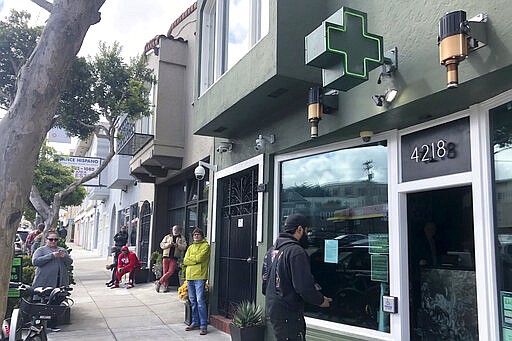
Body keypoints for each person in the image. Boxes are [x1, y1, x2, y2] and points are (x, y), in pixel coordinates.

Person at [262, 213, 331, 341]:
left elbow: (264, 284)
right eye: (307, 231)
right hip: (289, 313)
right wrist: (321, 301)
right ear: (299, 229)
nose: (308, 235)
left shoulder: (270, 251)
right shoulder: (296, 251)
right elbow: (303, 287)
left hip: (274, 310)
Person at [32, 231, 73, 332]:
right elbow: (35, 261)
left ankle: (53, 324)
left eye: (55, 240)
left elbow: (69, 262)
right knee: (42, 304)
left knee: (56, 304)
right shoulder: (41, 250)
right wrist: (52, 256)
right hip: (44, 283)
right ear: (46, 240)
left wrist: (65, 257)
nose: (53, 241)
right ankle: (38, 325)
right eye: (51, 239)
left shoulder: (62, 250)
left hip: (60, 282)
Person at [182, 228, 210, 336]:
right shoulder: (190, 247)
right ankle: (195, 322)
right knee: (193, 301)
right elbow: (185, 260)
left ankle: (203, 326)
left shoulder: (206, 246)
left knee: (200, 301)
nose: (196, 236)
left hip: (200, 277)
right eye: (194, 235)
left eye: (198, 235)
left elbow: (200, 258)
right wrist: (193, 260)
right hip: (190, 277)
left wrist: (192, 260)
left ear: (202, 236)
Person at [155, 225, 187, 293]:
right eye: (174, 229)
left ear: (179, 230)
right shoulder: (168, 237)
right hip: (166, 256)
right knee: (165, 272)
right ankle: (165, 287)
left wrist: (177, 245)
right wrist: (168, 245)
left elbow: (184, 247)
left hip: (174, 257)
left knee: (170, 271)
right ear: (172, 230)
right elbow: (162, 245)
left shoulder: (182, 238)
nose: (175, 230)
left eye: (177, 229)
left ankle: (159, 282)